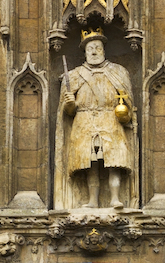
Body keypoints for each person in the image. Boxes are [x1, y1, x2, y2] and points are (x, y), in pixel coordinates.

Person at [57, 28, 135, 209]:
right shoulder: (75, 75)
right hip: (84, 122)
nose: (93, 51)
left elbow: (128, 101)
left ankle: (115, 198)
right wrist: (69, 103)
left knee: (113, 161)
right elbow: (67, 112)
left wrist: (125, 112)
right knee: (91, 162)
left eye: (97, 48)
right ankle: (92, 200)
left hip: (110, 119)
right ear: (84, 51)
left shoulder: (118, 72)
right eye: (90, 48)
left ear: (104, 50)